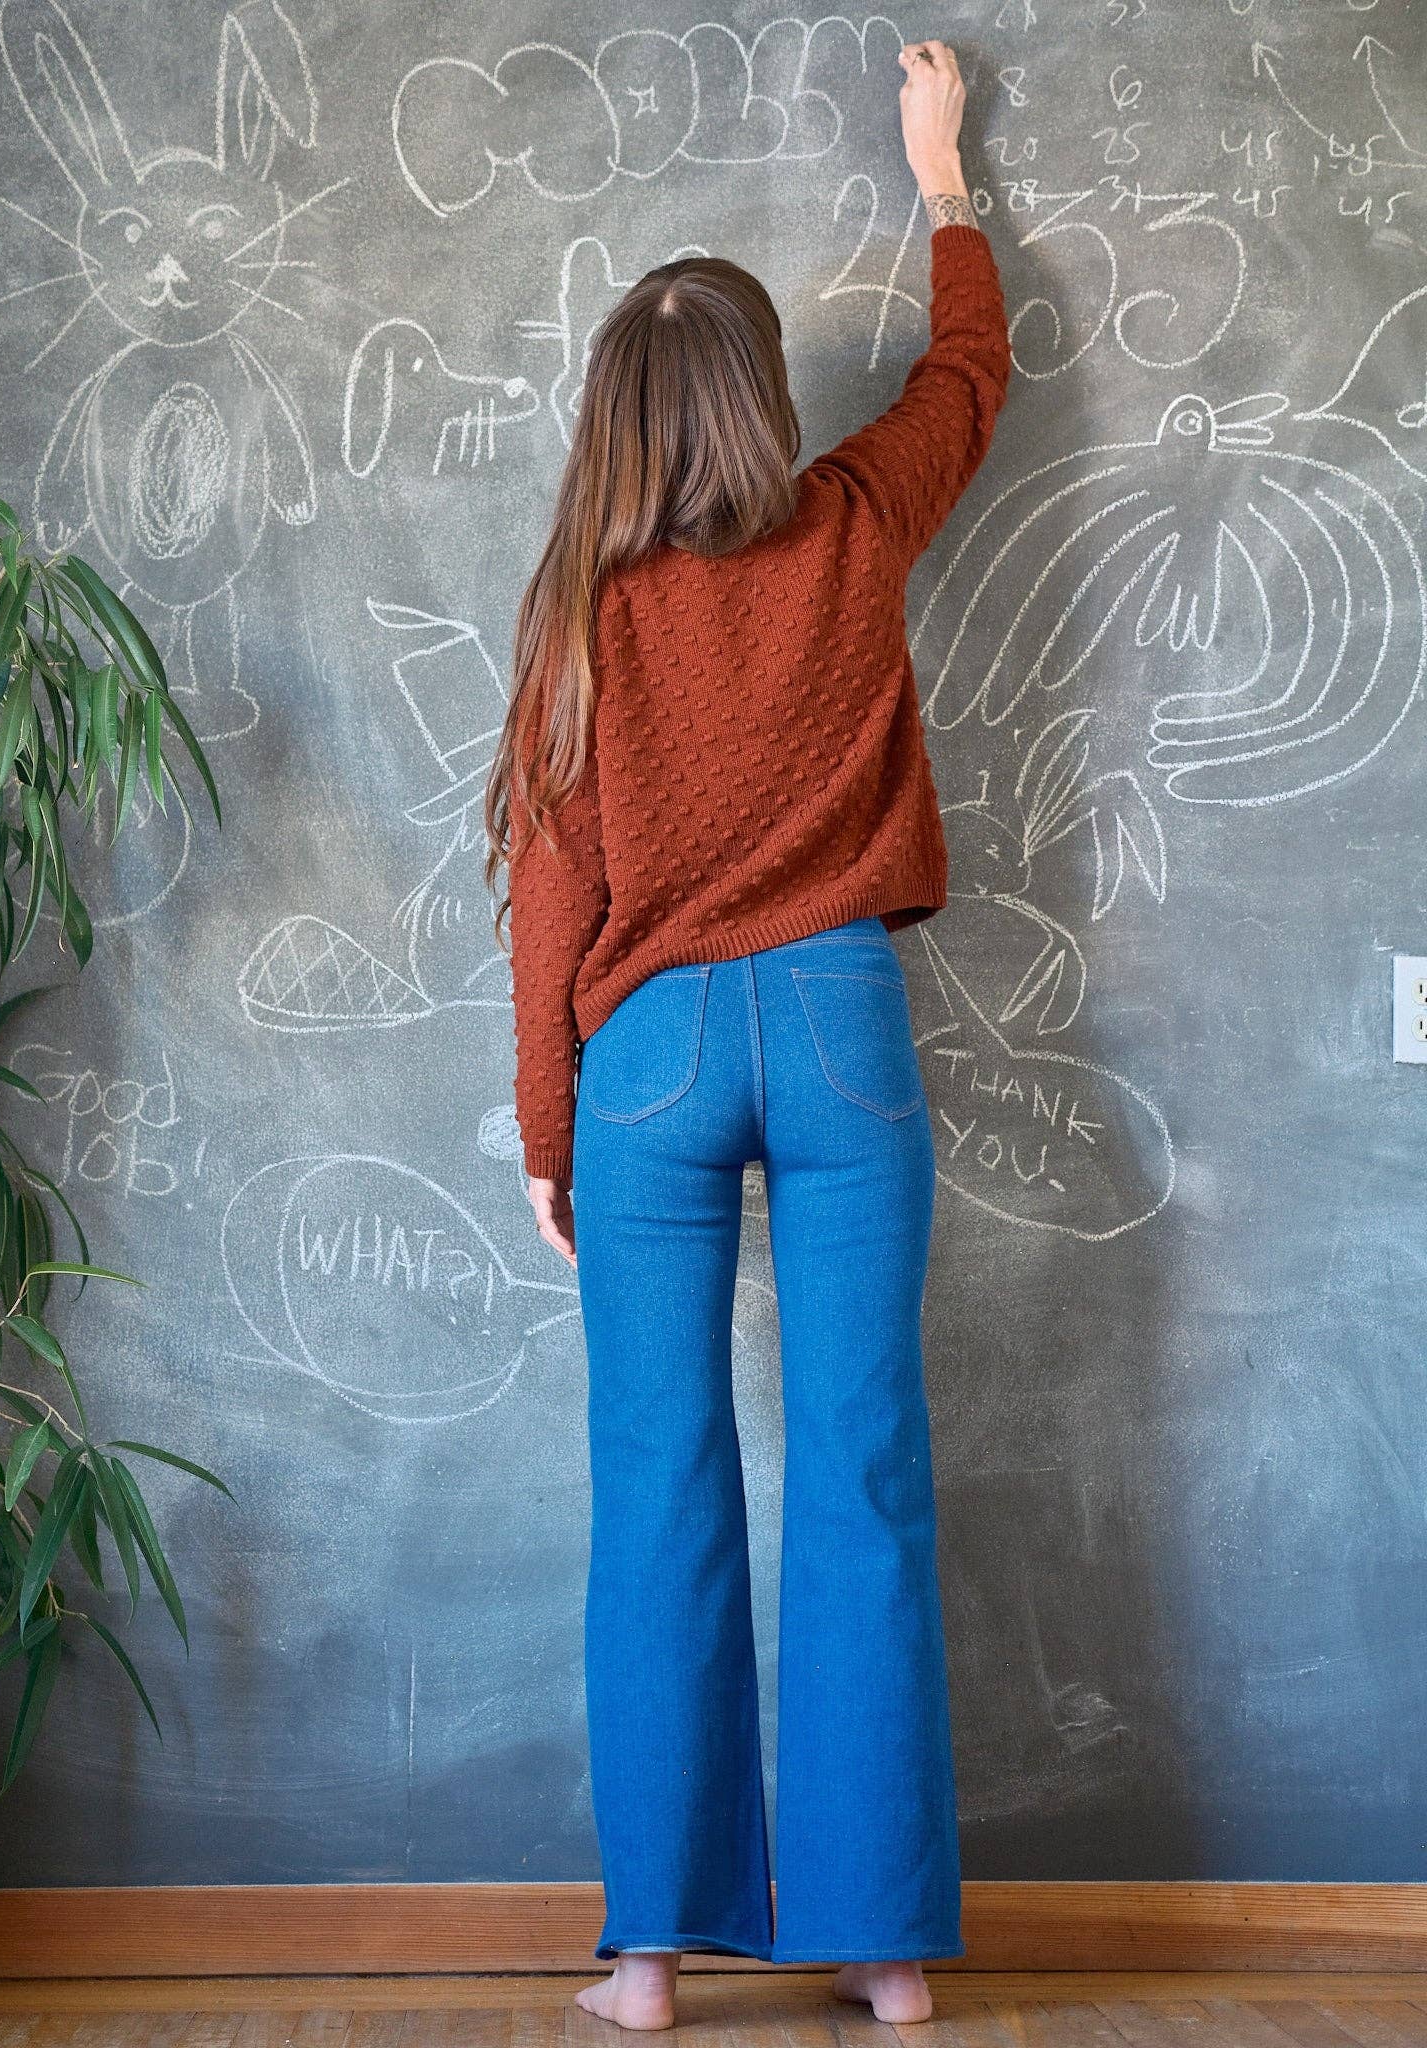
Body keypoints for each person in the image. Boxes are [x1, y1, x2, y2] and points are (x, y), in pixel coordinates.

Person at [483, 38, 1009, 2036]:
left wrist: (549, 1122)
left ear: (618, 411)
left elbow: (551, 881)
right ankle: (883, 1956)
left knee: (662, 1479)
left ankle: (647, 1956)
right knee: (864, 1469)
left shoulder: (578, 612)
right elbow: (971, 381)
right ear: (768, 398)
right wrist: (943, 179)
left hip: (651, 1065)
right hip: (845, 1019)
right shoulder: (857, 522)